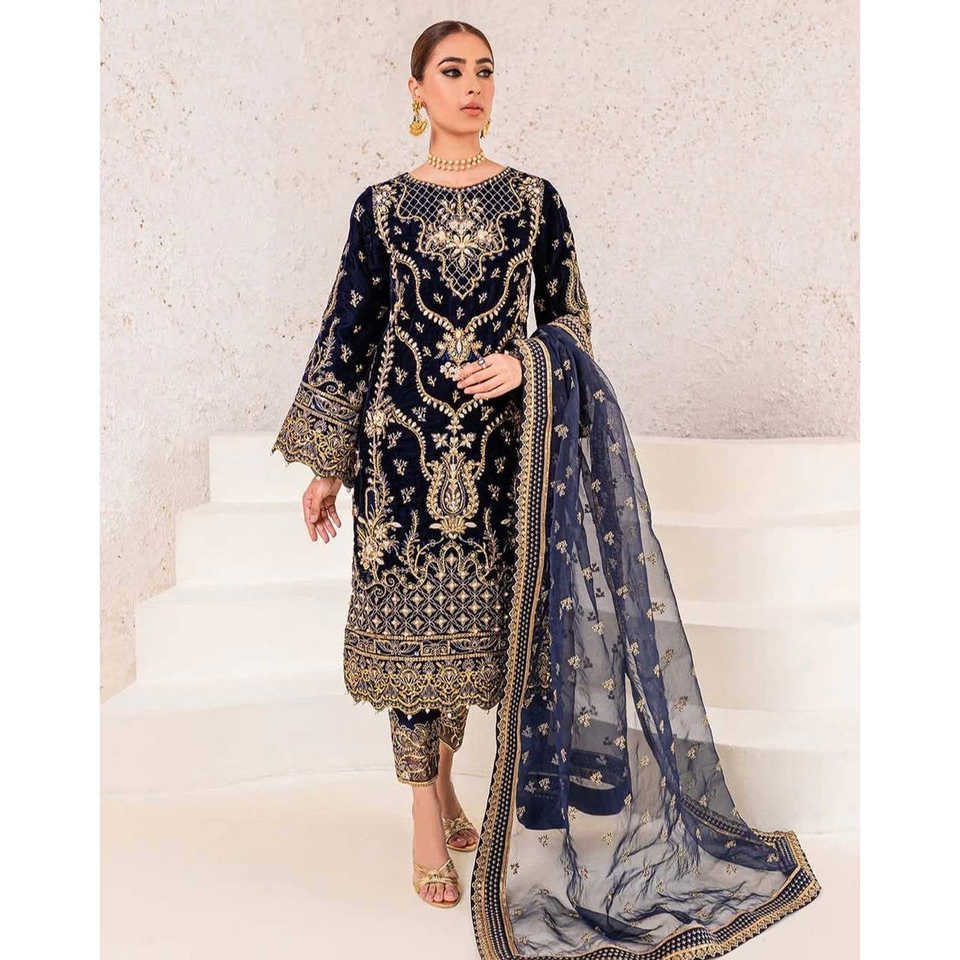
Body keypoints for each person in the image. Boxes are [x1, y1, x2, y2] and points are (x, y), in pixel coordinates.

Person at [271, 17, 822, 957]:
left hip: (508, 464)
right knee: (414, 645)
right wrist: (329, 463)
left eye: (484, 71)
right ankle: (425, 811)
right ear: (417, 90)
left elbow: (571, 321)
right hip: (402, 458)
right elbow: (348, 331)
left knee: (487, 645)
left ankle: (451, 790)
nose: (471, 86)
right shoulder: (381, 209)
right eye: (452, 71)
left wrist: (528, 362)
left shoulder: (534, 201)